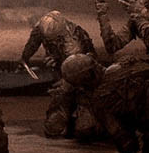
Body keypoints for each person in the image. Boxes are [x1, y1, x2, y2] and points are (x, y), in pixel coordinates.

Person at [20, 10, 101, 140]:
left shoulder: (73, 40)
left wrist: (58, 60)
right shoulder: (43, 28)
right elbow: (33, 42)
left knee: (85, 130)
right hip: (61, 72)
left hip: (82, 78)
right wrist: (25, 58)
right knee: (53, 127)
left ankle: (87, 117)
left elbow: (78, 70)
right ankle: (66, 117)